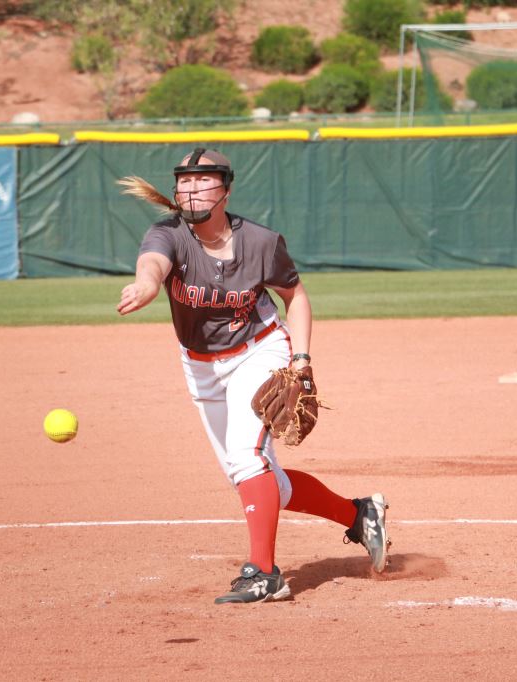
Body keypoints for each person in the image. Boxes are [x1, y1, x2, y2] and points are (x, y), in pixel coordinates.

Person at [117, 148, 390, 604]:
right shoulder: (168, 233)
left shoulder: (261, 242)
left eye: (203, 180)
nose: (192, 188)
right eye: (185, 180)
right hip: (200, 364)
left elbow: (294, 297)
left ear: (225, 189)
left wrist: (301, 360)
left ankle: (264, 574)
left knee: (248, 460)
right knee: (258, 480)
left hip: (260, 350)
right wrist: (146, 285)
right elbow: (153, 264)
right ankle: (359, 515)